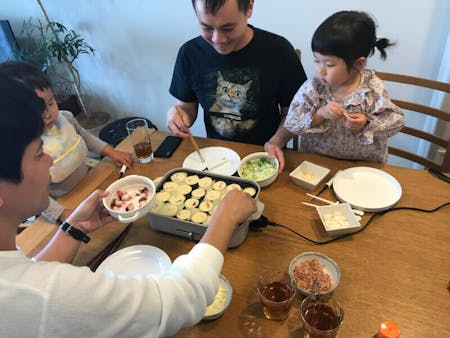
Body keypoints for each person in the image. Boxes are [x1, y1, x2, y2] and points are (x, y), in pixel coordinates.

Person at [0, 75, 257, 337]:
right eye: (38, 154)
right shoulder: (42, 296)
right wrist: (224, 217)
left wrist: (73, 227)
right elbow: (177, 302)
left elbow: (32, 273)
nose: (50, 162)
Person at [265, 11, 405, 172]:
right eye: (317, 61)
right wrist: (320, 114)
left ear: (358, 64)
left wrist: (366, 122)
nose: (320, 71)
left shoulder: (372, 88)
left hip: (363, 167)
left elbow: (395, 121)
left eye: (329, 64)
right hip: (315, 165)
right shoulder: (314, 88)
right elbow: (292, 123)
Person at [0, 61, 133, 224]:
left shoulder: (65, 119)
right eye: (38, 111)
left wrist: (111, 152)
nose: (48, 114)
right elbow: (32, 194)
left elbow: (84, 135)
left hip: (89, 184)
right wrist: (61, 214)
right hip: (61, 204)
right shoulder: (24, 150)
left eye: (51, 103)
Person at [167, 0, 307, 145]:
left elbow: (292, 113)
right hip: (216, 155)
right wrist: (178, 115)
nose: (217, 39)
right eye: (206, 27)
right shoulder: (190, 53)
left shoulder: (278, 50)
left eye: (228, 28)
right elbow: (186, 108)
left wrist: (276, 142)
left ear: (249, 8)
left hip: (265, 154)